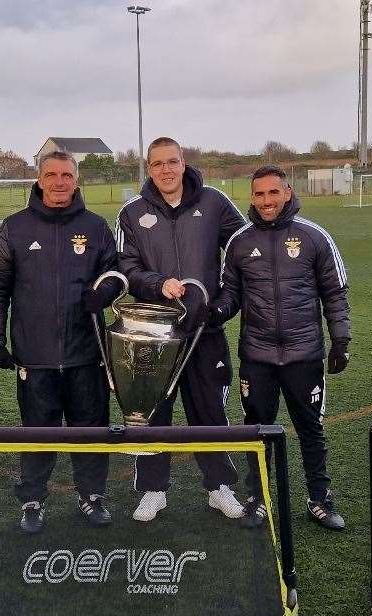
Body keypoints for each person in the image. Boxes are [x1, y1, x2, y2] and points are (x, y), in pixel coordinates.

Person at [0, 150, 122, 533]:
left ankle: (92, 497)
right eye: (51, 175)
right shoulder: (15, 228)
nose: (59, 182)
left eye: (66, 175)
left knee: (91, 430)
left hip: (87, 354)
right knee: (37, 430)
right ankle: (32, 500)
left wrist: (104, 292)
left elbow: (116, 273)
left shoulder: (95, 227)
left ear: (76, 180)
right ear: (39, 179)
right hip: (36, 355)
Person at [212, 165, 351, 531]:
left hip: (304, 354)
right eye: (259, 194)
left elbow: (335, 292)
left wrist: (341, 340)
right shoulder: (240, 242)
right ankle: (258, 499)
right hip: (257, 356)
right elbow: (231, 294)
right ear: (252, 198)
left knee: (310, 429)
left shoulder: (314, 237)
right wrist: (216, 311)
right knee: (258, 431)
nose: (267, 201)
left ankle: (319, 500)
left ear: (287, 193)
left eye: (274, 193)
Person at [116, 136, 247, 523]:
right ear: (148, 167)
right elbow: (127, 267)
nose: (166, 171)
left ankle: (219, 488)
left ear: (183, 161)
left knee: (209, 412)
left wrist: (221, 303)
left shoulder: (215, 202)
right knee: (152, 412)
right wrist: (158, 284)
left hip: (204, 331)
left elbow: (242, 252)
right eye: (157, 165)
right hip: (153, 334)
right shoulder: (132, 212)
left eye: (171, 162)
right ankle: (153, 490)